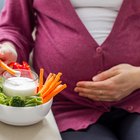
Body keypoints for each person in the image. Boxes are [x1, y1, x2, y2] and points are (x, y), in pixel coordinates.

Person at [0, 0, 140, 140]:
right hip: (66, 108)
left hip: (136, 98)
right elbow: (14, 27)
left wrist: (137, 77)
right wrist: (9, 49)